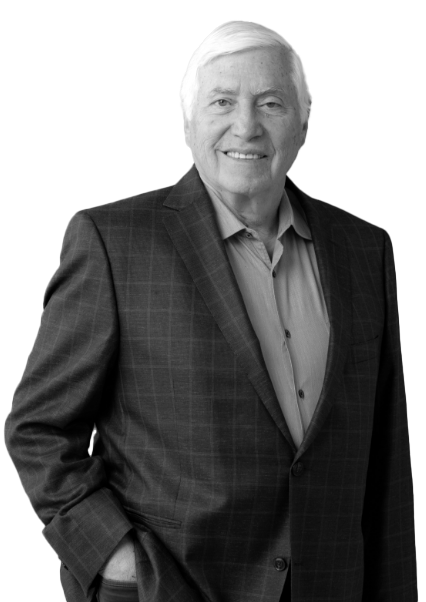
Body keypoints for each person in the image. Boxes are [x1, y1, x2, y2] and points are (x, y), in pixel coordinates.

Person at [5, 20, 417, 602]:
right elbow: (39, 429)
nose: (246, 125)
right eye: (222, 101)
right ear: (189, 122)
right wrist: (116, 558)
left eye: (271, 102)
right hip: (172, 587)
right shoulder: (115, 243)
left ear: (303, 123)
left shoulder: (363, 250)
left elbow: (385, 458)